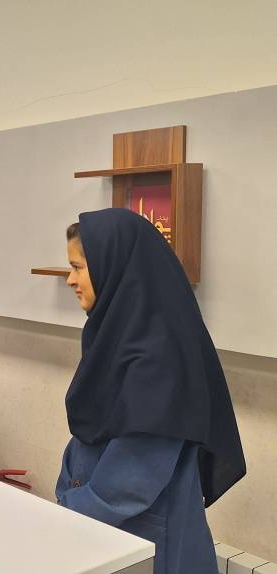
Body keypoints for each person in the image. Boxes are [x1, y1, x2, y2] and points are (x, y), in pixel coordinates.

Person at [56, 208, 245, 574]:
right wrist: (66, 492)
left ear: (112, 267)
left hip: (145, 544)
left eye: (78, 267)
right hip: (104, 527)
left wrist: (67, 513)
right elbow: (88, 433)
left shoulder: (160, 359)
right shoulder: (115, 334)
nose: (70, 279)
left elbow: (131, 482)